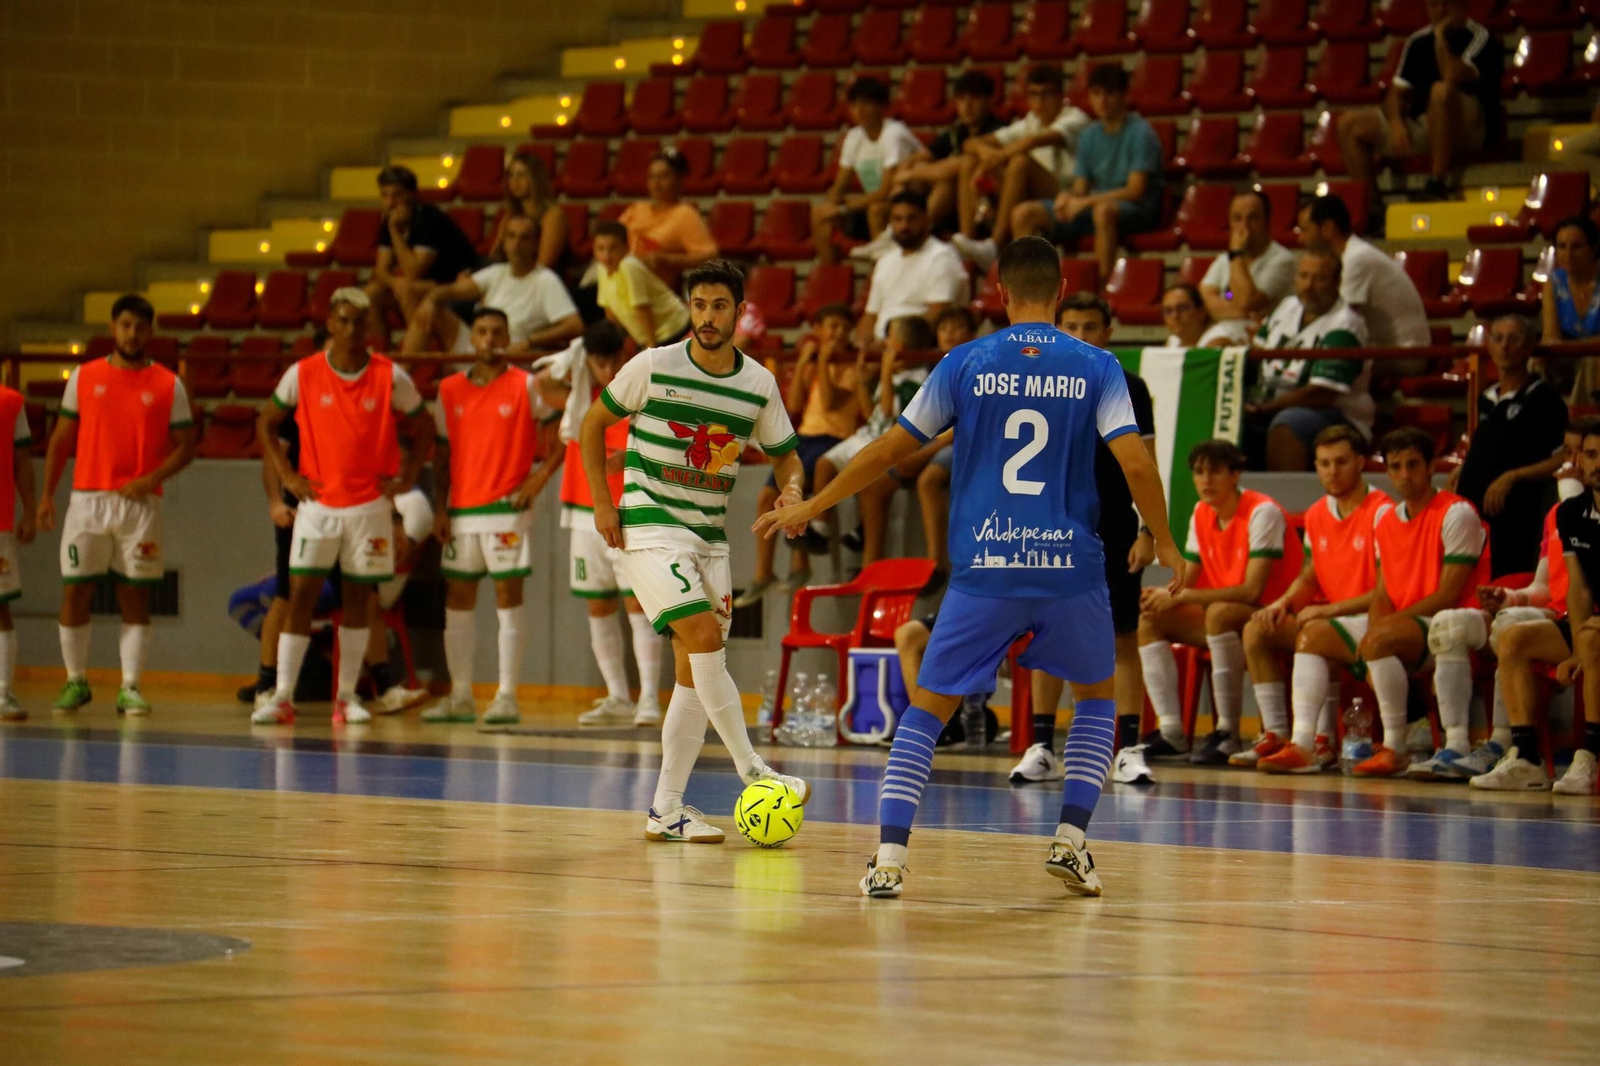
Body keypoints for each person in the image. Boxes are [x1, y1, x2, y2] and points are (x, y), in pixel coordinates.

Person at [757, 236, 1183, 900]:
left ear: (1000, 293)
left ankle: (890, 858)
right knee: (1099, 698)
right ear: (1062, 291)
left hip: (986, 565)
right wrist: (1164, 541)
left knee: (926, 711)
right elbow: (1134, 463)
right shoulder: (1099, 367)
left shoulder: (965, 362)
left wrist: (815, 500)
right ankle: (1071, 844)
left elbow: (892, 449)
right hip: (1071, 566)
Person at [580, 260, 811, 843]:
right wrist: (604, 504)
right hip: (648, 526)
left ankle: (667, 808)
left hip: (709, 537)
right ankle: (752, 769)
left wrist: (793, 488)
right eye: (699, 305)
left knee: (692, 675)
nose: (707, 317)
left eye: (719, 306)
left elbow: (786, 453)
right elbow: (590, 425)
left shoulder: (758, 382)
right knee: (705, 637)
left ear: (738, 312)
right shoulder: (651, 365)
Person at [252, 288, 434, 726]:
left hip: (370, 506)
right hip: (317, 506)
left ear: (370, 327)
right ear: (331, 324)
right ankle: (282, 696)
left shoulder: (390, 375)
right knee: (300, 597)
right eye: (344, 321)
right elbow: (266, 422)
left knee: (359, 600)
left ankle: (347, 697)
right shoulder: (303, 373)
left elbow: (425, 423)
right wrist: (288, 477)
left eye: (360, 322)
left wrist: (408, 476)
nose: (352, 330)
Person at [1011, 293, 1160, 786]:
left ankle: (1130, 747)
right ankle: (1041, 746)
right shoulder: (1037, 383)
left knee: (1122, 637)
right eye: (1069, 324)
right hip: (1050, 525)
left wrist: (1148, 529)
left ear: (1108, 332)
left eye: (1090, 326)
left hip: (1112, 526)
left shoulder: (1129, 386)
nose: (1079, 334)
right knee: (1046, 636)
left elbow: (1147, 463)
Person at [39, 295, 196, 716]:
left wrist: (151, 479)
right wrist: (46, 497)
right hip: (88, 501)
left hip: (141, 506)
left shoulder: (168, 383)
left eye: (140, 327)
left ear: (151, 332)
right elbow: (60, 440)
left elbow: (187, 446)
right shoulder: (85, 377)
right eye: (125, 325)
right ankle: (75, 681)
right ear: (112, 328)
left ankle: (130, 687)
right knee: (76, 590)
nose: (132, 333)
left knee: (135, 597)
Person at [1302, 427, 1488, 776]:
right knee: (1313, 636)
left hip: (1453, 620)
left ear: (1432, 465)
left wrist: (1383, 631)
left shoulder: (1457, 513)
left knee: (1381, 638)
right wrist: (1376, 630)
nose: (1405, 475)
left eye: (1413, 465)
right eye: (1396, 467)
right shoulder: (1386, 518)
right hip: (1406, 624)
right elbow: (1383, 591)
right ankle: (1308, 742)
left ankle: (1396, 747)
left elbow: (1449, 594)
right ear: (1386, 471)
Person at [1136, 440, 1304, 763]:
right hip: (1225, 617)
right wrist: (1162, 595)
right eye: (1199, 472)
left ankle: (1227, 731)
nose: (1205, 480)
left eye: (1215, 471)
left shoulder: (1261, 511)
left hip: (1275, 614)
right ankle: (1171, 731)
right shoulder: (1201, 512)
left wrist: (1182, 596)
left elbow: (1252, 591)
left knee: (1218, 613)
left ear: (1235, 474)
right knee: (1150, 617)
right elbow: (1189, 580)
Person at [1244, 426, 1392, 772]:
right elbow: (1309, 576)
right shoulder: (1316, 513)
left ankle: (1307, 744)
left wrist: (1328, 610)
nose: (1332, 471)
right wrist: (1282, 604)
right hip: (1333, 619)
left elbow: (1387, 590)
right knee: (1259, 629)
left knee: (1315, 634)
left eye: (1341, 462)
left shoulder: (1382, 511)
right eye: (1324, 463)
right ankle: (1277, 734)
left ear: (1359, 463)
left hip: (1374, 617)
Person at [538, 321, 663, 728]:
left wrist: (626, 459)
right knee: (598, 605)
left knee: (637, 605)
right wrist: (575, 356)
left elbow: (663, 447)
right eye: (598, 361)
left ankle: (648, 699)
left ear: (625, 354)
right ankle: (617, 696)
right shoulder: (579, 396)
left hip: (631, 508)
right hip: (581, 506)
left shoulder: (643, 391)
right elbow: (542, 384)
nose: (608, 369)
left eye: (613, 359)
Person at [424, 308, 545, 726]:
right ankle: (460, 695)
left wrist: (539, 479)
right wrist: (440, 507)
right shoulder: (449, 390)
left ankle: (507, 695)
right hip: (461, 511)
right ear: (471, 338)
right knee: (457, 603)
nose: (490, 338)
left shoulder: (527, 385)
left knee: (508, 602)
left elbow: (565, 428)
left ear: (508, 336)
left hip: (506, 511)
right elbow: (441, 453)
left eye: (498, 331)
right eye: (482, 331)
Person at [1473, 417, 1600, 793]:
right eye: (1591, 455)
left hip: (1596, 630)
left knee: (1592, 639)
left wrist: (1584, 643)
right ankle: (1526, 758)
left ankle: (1589, 758)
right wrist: (1576, 644)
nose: (1596, 464)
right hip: (1590, 624)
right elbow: (1578, 589)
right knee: (1513, 638)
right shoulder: (1570, 513)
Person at [739, 303, 860, 605]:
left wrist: (821, 362)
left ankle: (799, 564)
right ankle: (763, 572)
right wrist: (806, 364)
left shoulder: (851, 364)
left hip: (834, 439)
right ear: (817, 331)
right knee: (767, 497)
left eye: (844, 328)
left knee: (796, 494)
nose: (838, 334)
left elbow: (831, 402)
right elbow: (793, 404)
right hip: (805, 436)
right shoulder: (816, 360)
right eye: (831, 327)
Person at [803, 314, 944, 571]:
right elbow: (871, 413)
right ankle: (820, 528)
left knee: (862, 472)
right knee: (825, 464)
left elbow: (890, 413)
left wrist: (887, 373)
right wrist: (862, 379)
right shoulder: (890, 371)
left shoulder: (917, 377)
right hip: (868, 432)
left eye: (889, 337)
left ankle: (861, 534)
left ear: (898, 345)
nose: (884, 342)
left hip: (888, 440)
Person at [1336, 0, 1502, 208]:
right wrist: (1396, 122)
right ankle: (1373, 210)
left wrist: (1441, 37)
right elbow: (1395, 93)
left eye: (1446, 4)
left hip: (1470, 125)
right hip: (1429, 122)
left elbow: (1451, 74)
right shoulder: (1417, 41)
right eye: (1435, 4)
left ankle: (1437, 182)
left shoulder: (1480, 37)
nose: (1442, 10)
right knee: (1349, 124)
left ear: (1461, 6)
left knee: (1441, 91)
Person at [1010, 63, 1165, 282]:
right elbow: (1080, 187)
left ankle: (1101, 287)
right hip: (1096, 205)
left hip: (1136, 210)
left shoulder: (1141, 133)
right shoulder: (1089, 134)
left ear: (1124, 95)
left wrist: (1085, 202)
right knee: (1024, 213)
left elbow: (1135, 190)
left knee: (1103, 212)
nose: (1102, 101)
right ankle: (1030, 287)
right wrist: (1068, 197)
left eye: (1110, 93)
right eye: (1096, 93)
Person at [1449, 315, 1568, 576]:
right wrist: (1465, 467)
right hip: (1476, 519)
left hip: (1517, 518)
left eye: (1513, 339)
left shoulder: (1544, 399)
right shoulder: (1487, 397)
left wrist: (1512, 477)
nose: (1504, 346)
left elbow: (1563, 457)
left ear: (1528, 348)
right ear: (1489, 345)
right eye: (1498, 338)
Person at [952, 64, 1091, 268]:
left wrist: (997, 157)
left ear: (1061, 95)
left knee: (1020, 161)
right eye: (1034, 95)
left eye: (1047, 95)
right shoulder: (1030, 120)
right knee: (969, 162)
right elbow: (970, 143)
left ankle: (995, 244)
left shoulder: (1075, 117)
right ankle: (968, 244)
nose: (1040, 102)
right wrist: (985, 154)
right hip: (1029, 189)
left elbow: (1034, 141)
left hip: (1063, 192)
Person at [1247, 251, 1374, 471]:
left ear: (1337, 282)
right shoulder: (1287, 306)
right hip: (1269, 404)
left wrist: (1263, 410)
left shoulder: (1345, 326)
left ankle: (1286, 500)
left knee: (1290, 422)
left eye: (1320, 278)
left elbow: (1320, 394)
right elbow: (1256, 351)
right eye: (1303, 276)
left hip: (1336, 415)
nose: (1308, 286)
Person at [403, 214, 581, 357]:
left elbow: (575, 325)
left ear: (535, 245)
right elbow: (453, 290)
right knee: (429, 307)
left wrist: (530, 341)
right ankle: (401, 372)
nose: (516, 244)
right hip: (478, 345)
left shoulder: (546, 279)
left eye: (524, 238)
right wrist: (432, 299)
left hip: (512, 353)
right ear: (504, 242)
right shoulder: (496, 271)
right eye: (511, 236)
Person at [813, 77, 925, 265]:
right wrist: (833, 203)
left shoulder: (894, 133)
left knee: (876, 210)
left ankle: (884, 272)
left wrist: (843, 207)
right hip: (872, 203)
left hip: (905, 204)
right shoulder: (853, 136)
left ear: (882, 107)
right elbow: (840, 184)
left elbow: (885, 191)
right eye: (855, 104)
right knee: (820, 213)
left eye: (866, 104)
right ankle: (830, 278)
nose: (859, 110)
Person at [366, 165, 481, 346]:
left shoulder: (428, 219)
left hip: (455, 283)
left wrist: (394, 232)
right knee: (371, 293)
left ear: (411, 195)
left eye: (397, 194)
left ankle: (421, 354)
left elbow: (414, 271)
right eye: (385, 195)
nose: (390, 202)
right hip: (426, 284)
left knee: (409, 289)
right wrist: (395, 282)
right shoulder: (389, 221)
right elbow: (381, 270)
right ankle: (382, 350)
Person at [1298, 194, 1430, 348]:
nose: (1300, 239)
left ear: (1327, 228)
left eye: (1304, 230)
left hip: (1403, 351)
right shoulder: (1353, 253)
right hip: (1384, 346)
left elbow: (1341, 319)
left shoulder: (1356, 258)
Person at [913, 310, 982, 588]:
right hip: (936, 439)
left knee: (929, 479)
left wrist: (927, 450)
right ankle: (870, 565)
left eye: (958, 327)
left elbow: (970, 420)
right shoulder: (928, 369)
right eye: (944, 327)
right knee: (885, 475)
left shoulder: (979, 365)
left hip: (971, 440)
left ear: (971, 335)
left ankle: (937, 563)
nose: (951, 333)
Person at [891, 70, 1003, 232]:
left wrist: (910, 174)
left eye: (974, 98)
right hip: (954, 206)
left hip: (985, 203)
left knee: (946, 182)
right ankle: (896, 231)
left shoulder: (998, 131)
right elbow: (918, 158)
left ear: (989, 101)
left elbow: (958, 166)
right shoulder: (956, 132)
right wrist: (903, 179)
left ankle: (915, 232)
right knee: (920, 168)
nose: (967, 105)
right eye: (962, 99)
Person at [856, 190, 968, 347]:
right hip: (882, 349)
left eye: (911, 219)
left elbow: (938, 315)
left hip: (918, 350)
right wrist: (862, 347)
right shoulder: (885, 260)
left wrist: (895, 344)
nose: (904, 226)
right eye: (897, 219)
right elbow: (870, 316)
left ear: (926, 219)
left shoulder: (941, 257)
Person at [1199, 188, 1297, 344]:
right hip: (1226, 330)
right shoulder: (1225, 259)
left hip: (1264, 337)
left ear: (1267, 222)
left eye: (1253, 219)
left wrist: (1237, 253)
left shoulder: (1282, 260)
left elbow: (1246, 302)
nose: (1244, 227)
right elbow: (1205, 298)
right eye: (1237, 218)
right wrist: (1238, 309)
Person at [618, 149, 718, 289]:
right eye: (652, 177)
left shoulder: (685, 214)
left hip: (650, 287)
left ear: (679, 179)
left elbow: (710, 255)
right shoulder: (637, 208)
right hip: (618, 277)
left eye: (664, 176)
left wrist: (667, 260)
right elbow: (613, 237)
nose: (656, 183)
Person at [591, 220, 690, 349]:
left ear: (626, 248)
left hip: (674, 328)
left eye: (613, 248)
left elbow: (642, 307)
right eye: (601, 249)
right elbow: (610, 309)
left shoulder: (628, 266)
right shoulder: (602, 268)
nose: (606, 256)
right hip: (650, 337)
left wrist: (651, 345)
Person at [0, 381, 34, 721]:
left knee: (0, 609)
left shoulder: (10, 403)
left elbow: (23, 459)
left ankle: (2, 692)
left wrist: (29, 509)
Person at [1543, 216, 1600, 404]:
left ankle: (1580, 421)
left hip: (1594, 357)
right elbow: (1550, 337)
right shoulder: (1554, 282)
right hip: (1569, 356)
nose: (1568, 254)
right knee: (1536, 361)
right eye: (1561, 246)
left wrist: (1575, 348)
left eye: (1577, 246)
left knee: (1591, 361)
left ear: (1593, 248)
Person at [488, 151, 568, 270]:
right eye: (511, 175)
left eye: (522, 174)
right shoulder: (510, 214)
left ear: (536, 178)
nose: (515, 180)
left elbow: (543, 265)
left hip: (540, 282)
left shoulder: (553, 215)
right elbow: (496, 255)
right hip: (511, 276)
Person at [1159, 283, 1228, 348]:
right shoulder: (1173, 341)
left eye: (1182, 308)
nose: (1175, 316)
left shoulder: (1217, 340)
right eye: (1168, 311)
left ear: (1201, 312)